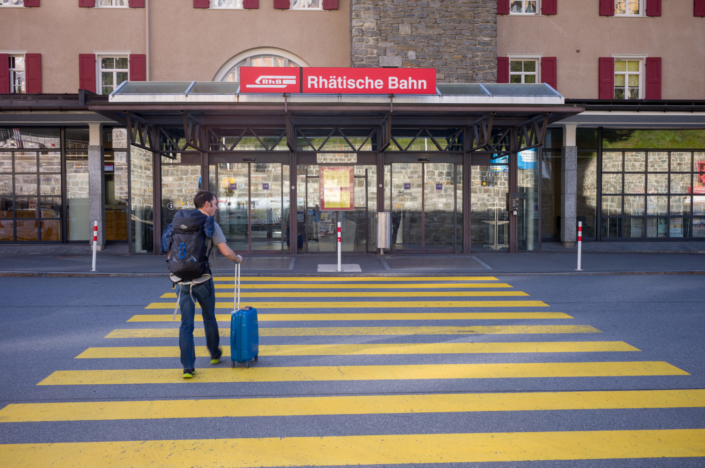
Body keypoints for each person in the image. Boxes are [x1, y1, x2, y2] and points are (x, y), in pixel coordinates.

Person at [170, 190, 242, 379]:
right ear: (207, 205)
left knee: (186, 323)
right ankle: (215, 354)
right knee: (209, 317)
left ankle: (188, 367)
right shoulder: (211, 224)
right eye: (215, 203)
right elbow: (226, 252)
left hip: (180, 280)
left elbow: (169, 254)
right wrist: (237, 259)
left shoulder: (177, 223)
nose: (217, 207)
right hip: (202, 279)